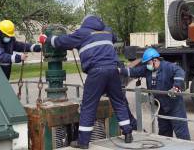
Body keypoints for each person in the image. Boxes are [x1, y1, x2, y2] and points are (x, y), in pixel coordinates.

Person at [38, 15, 133, 149]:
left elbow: (61, 41)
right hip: (113, 70)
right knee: (118, 102)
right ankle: (128, 133)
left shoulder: (82, 33)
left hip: (96, 72)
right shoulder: (107, 31)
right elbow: (114, 37)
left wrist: (46, 39)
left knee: (89, 106)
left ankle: (83, 142)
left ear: (84, 23)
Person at [119, 48, 191, 140]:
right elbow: (133, 72)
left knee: (182, 134)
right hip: (162, 107)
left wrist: (176, 87)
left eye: (148, 63)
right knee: (164, 134)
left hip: (175, 106)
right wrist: (119, 70)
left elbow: (180, 72)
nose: (147, 65)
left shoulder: (168, 67)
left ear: (155, 60)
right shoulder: (148, 70)